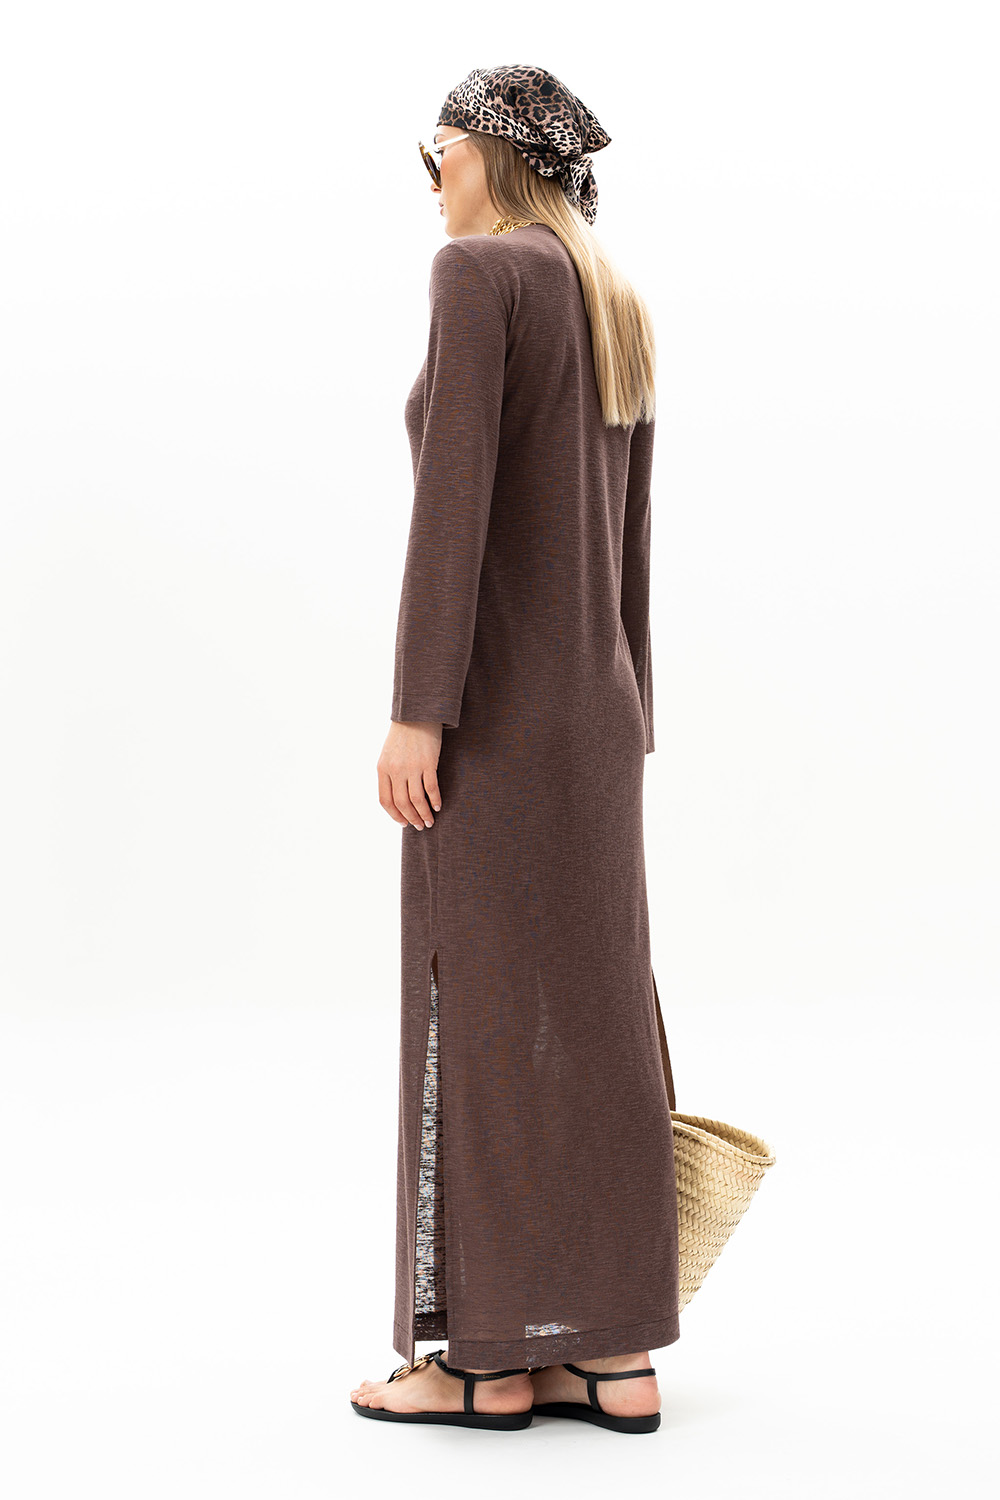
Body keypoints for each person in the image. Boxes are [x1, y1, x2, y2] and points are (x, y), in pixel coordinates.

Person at [351, 65, 680, 1435]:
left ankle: (484, 1362)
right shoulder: (611, 296)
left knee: (474, 1014)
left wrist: (419, 706)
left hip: (491, 719)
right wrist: (631, 710)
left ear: (491, 153)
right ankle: (611, 1354)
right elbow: (630, 540)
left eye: (438, 150)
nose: (430, 177)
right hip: (598, 718)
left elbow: (456, 510)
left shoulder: (479, 278)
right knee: (597, 1020)